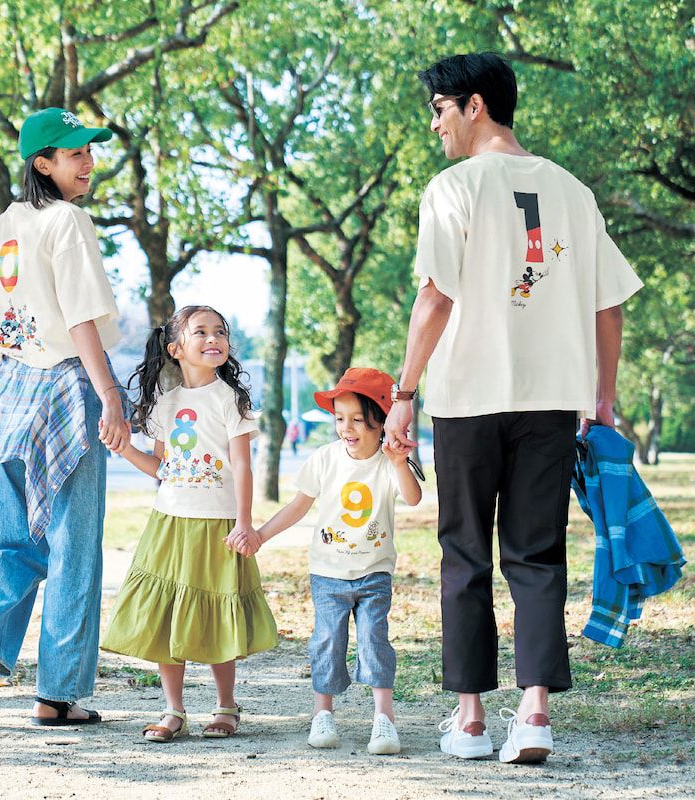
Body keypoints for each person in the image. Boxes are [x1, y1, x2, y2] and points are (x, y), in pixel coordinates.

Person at [383, 52, 643, 764]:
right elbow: (610, 304)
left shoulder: (453, 187)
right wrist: (602, 398)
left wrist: (403, 393)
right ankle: (534, 715)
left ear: (474, 105)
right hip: (552, 400)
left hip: (469, 398)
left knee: (464, 554)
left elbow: (435, 296)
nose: (434, 125)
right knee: (537, 554)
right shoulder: (573, 191)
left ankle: (470, 721)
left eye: (438, 109)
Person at [0, 107, 130, 725]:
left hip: (4, 401)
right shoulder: (68, 221)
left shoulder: (5, 224)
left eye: (90, 151)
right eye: (75, 153)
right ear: (43, 163)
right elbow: (80, 319)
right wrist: (110, 395)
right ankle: (57, 696)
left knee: (19, 547)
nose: (89, 162)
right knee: (74, 549)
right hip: (65, 393)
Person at [101, 305, 278, 742]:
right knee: (167, 614)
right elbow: (161, 468)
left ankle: (226, 707)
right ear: (175, 348)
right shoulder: (166, 403)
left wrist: (244, 522)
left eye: (220, 331)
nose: (213, 338)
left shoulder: (230, 400)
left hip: (218, 525)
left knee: (217, 612)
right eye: (201, 332)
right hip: (170, 523)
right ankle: (172, 709)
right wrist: (124, 448)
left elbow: (243, 465)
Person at [230, 368, 422, 755]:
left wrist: (400, 461)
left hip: (374, 572)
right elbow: (298, 506)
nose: (346, 428)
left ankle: (384, 718)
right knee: (328, 641)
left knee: (374, 640)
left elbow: (413, 498)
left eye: (357, 420)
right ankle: (323, 713)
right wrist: (261, 535)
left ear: (382, 422)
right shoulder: (325, 459)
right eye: (340, 418)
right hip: (328, 574)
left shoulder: (388, 462)